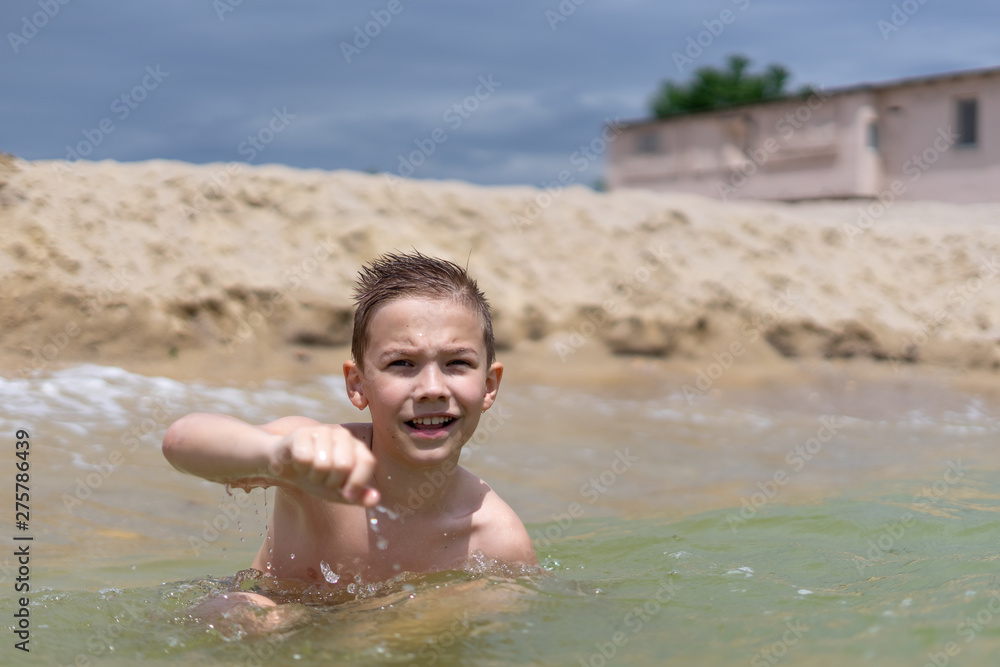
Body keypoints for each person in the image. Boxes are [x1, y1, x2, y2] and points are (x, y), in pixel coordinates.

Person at [162, 251, 537, 612]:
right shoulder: (314, 461)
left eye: (457, 363)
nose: (432, 388)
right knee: (240, 608)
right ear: (357, 384)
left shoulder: (498, 540)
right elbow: (182, 440)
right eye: (402, 363)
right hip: (276, 634)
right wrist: (273, 455)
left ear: (489, 386)